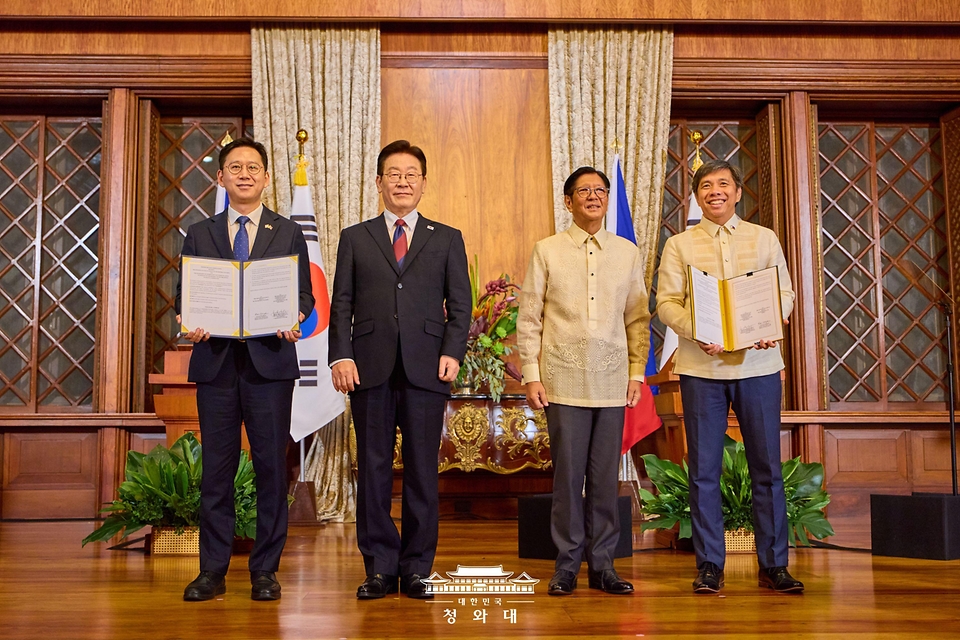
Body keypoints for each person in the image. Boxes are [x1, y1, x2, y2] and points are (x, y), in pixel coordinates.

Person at [329, 140, 471, 600]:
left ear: (424, 183)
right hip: (368, 368)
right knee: (371, 469)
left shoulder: (447, 237)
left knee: (421, 471)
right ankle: (378, 568)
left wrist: (452, 351)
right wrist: (341, 355)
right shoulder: (356, 236)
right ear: (378, 182)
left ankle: (415, 568)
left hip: (427, 368)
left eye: (411, 174)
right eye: (394, 173)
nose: (403, 181)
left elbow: (461, 306)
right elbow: (342, 304)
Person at [175, 137, 314, 602]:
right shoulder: (200, 232)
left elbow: (304, 296)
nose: (245, 174)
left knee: (271, 468)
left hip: (269, 366)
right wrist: (188, 321)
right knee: (217, 471)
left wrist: (294, 317)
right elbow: (186, 298)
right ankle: (211, 571)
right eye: (235, 167)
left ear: (267, 177)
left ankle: (265, 572)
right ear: (221, 177)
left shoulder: (288, 232)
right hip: (216, 365)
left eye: (253, 167)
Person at [656, 158, 804, 594]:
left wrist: (768, 327)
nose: (714, 191)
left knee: (767, 468)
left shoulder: (764, 238)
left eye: (723, 184)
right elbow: (666, 302)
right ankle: (709, 567)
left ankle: (774, 565)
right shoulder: (679, 245)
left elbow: (785, 293)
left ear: (738, 193)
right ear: (697, 196)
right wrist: (694, 330)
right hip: (701, 369)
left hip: (759, 367)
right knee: (703, 471)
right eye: (706, 185)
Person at [517, 166, 650, 596]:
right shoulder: (547, 250)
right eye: (583, 191)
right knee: (568, 478)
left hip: (613, 381)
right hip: (562, 380)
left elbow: (638, 319)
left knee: (605, 478)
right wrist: (533, 375)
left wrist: (635, 373)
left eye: (600, 190)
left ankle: (604, 566)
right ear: (568, 201)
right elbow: (529, 318)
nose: (593, 196)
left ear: (608, 199)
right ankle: (567, 565)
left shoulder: (627, 252)